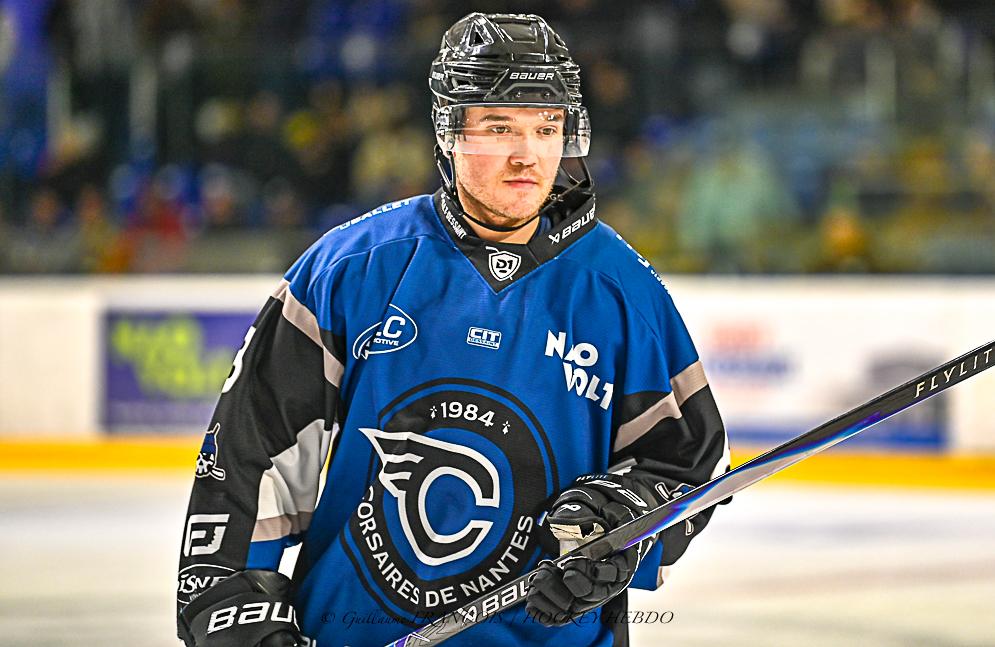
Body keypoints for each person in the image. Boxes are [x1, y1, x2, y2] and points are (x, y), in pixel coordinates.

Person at [176, 12, 730, 647]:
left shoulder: (621, 290)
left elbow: (689, 466)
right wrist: (231, 604)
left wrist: (623, 522)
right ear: (449, 133)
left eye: (546, 128)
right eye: (499, 127)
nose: (527, 155)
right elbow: (251, 454)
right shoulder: (352, 268)